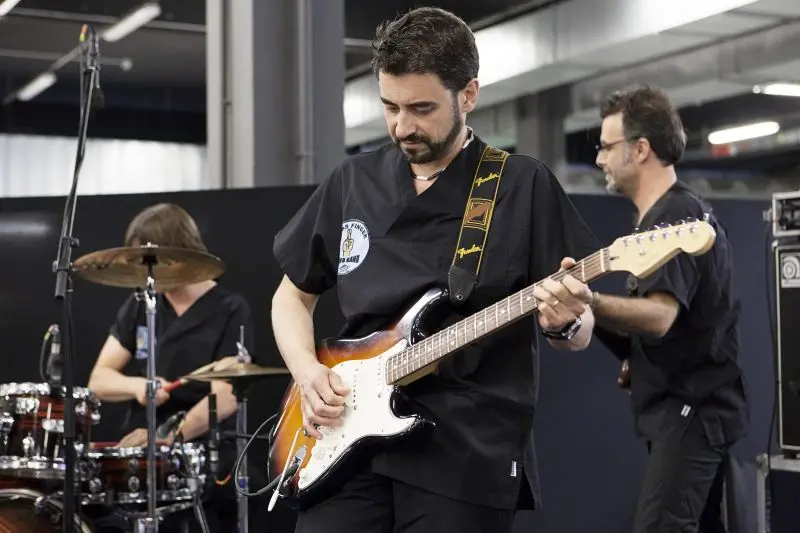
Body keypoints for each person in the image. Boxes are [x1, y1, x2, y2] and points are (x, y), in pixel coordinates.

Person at [270, 7, 601, 533]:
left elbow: (578, 330)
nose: (403, 126)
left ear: (468, 95)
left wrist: (567, 322)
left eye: (421, 108)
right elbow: (291, 296)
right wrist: (308, 374)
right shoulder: (353, 180)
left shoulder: (520, 185)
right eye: (390, 107)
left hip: (464, 453)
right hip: (347, 441)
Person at [589, 85, 749, 533]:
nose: (599, 159)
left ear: (640, 149)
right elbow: (666, 329)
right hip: (687, 413)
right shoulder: (663, 216)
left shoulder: (675, 214)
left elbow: (660, 317)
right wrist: (588, 315)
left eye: (606, 146)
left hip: (692, 413)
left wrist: (590, 301)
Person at [86, 203, 258, 533]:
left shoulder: (230, 309)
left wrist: (165, 437)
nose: (143, 271)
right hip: (141, 446)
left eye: (149, 261)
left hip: (204, 450)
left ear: (177, 254)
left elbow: (226, 396)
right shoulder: (141, 304)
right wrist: (139, 386)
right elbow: (99, 379)